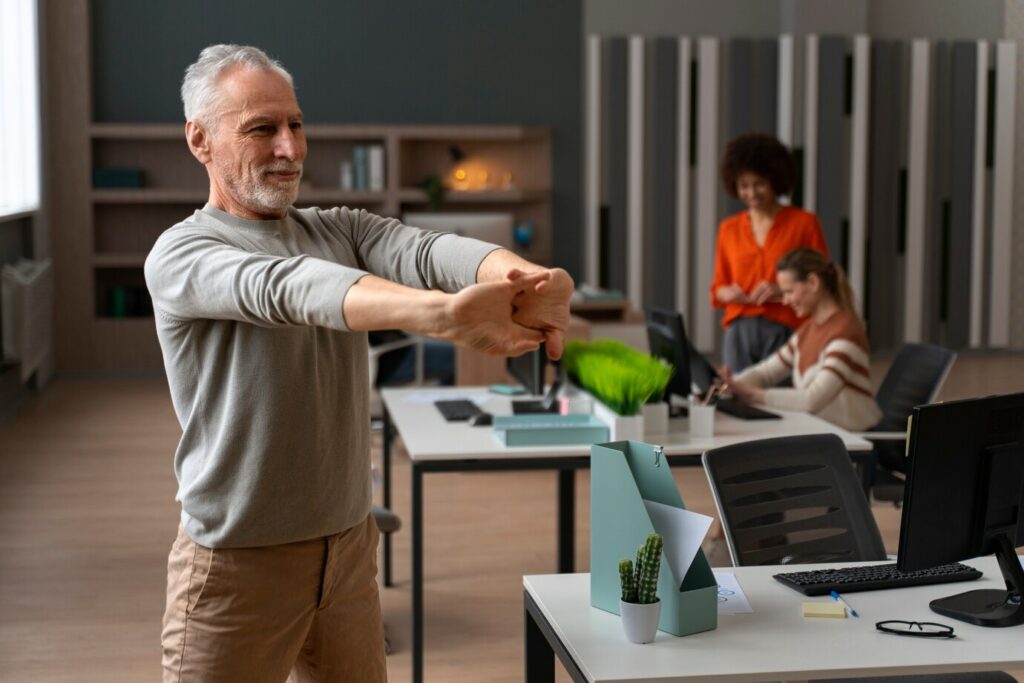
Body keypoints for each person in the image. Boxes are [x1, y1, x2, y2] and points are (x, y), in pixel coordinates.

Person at [145, 44, 572, 682]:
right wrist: (441, 316)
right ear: (199, 140)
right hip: (237, 565)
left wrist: (521, 278)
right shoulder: (182, 253)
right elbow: (285, 287)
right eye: (262, 129)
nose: (289, 148)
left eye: (295, 124)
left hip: (347, 548)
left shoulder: (337, 228)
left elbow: (425, 249)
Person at [721, 247, 881, 432]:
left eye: (789, 292)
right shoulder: (808, 330)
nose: (785, 301)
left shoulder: (845, 332)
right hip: (823, 432)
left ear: (813, 282)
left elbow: (811, 400)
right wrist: (732, 384)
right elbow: (767, 372)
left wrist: (751, 394)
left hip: (854, 442)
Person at [710, 133, 829, 372]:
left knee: (778, 400)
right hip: (739, 334)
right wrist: (729, 292)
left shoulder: (804, 224)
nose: (751, 193)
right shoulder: (728, 229)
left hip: (787, 330)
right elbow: (717, 288)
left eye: (759, 184)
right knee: (739, 401)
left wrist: (782, 290)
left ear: (775, 180)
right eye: (744, 186)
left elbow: (824, 281)